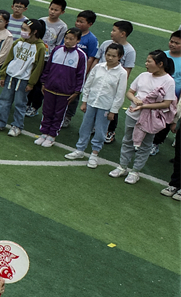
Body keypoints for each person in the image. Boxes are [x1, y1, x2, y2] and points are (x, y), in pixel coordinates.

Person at [109, 51, 177, 184]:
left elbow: (167, 103)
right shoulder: (143, 75)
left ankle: (135, 171)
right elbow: (130, 92)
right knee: (128, 140)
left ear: (160, 64)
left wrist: (144, 106)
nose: (146, 64)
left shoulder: (169, 81)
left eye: (149, 61)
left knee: (145, 144)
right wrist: (135, 99)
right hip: (133, 114)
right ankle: (122, 166)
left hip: (151, 119)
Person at [65, 43, 127, 167]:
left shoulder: (122, 73)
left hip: (106, 105)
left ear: (119, 57)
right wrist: (84, 101)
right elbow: (88, 84)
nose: (109, 58)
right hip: (92, 102)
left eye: (113, 56)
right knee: (85, 126)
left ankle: (94, 153)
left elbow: (120, 94)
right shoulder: (98, 67)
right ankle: (80, 149)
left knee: (100, 130)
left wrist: (113, 111)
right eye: (108, 55)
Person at [0, 20, 47, 136]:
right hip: (10, 77)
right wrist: (3, 74)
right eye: (22, 28)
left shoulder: (40, 48)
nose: (22, 32)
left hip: (24, 80)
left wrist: (31, 83)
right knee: (4, 101)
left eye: (25, 29)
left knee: (20, 103)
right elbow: (10, 58)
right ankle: (0, 122)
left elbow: (38, 67)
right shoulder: (18, 42)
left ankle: (17, 126)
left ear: (34, 32)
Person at [35, 29, 86, 147]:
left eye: (71, 39)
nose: (67, 41)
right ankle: (44, 133)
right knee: (47, 111)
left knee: (59, 114)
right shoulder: (57, 50)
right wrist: (44, 82)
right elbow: (48, 67)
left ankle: (52, 135)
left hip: (65, 92)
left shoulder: (80, 55)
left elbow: (81, 75)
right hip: (50, 87)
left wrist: (77, 91)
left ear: (78, 40)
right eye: (66, 38)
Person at [98, 21, 136, 145]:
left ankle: (110, 130)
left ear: (123, 34)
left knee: (112, 107)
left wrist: (120, 85)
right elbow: (97, 61)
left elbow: (127, 71)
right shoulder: (106, 44)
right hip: (100, 80)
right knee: (97, 103)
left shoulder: (130, 51)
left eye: (114, 30)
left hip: (114, 85)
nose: (111, 32)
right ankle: (97, 126)